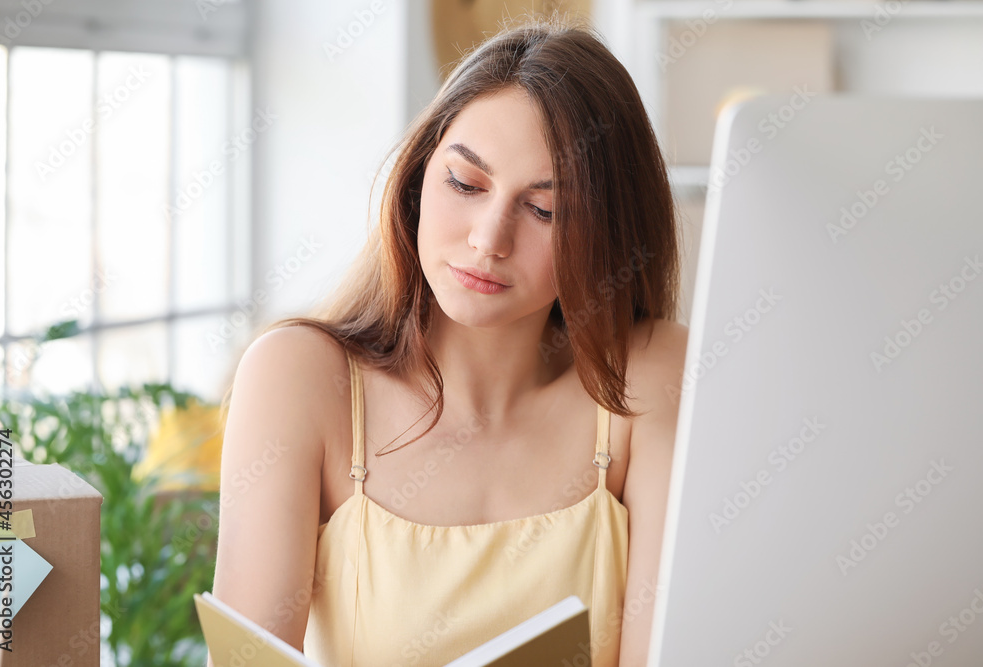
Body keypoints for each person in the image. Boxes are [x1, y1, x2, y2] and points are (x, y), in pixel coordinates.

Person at [208, 11, 688, 667]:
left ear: (606, 233)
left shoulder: (650, 374)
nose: (489, 240)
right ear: (417, 179)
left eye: (544, 209)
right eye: (465, 183)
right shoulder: (298, 376)